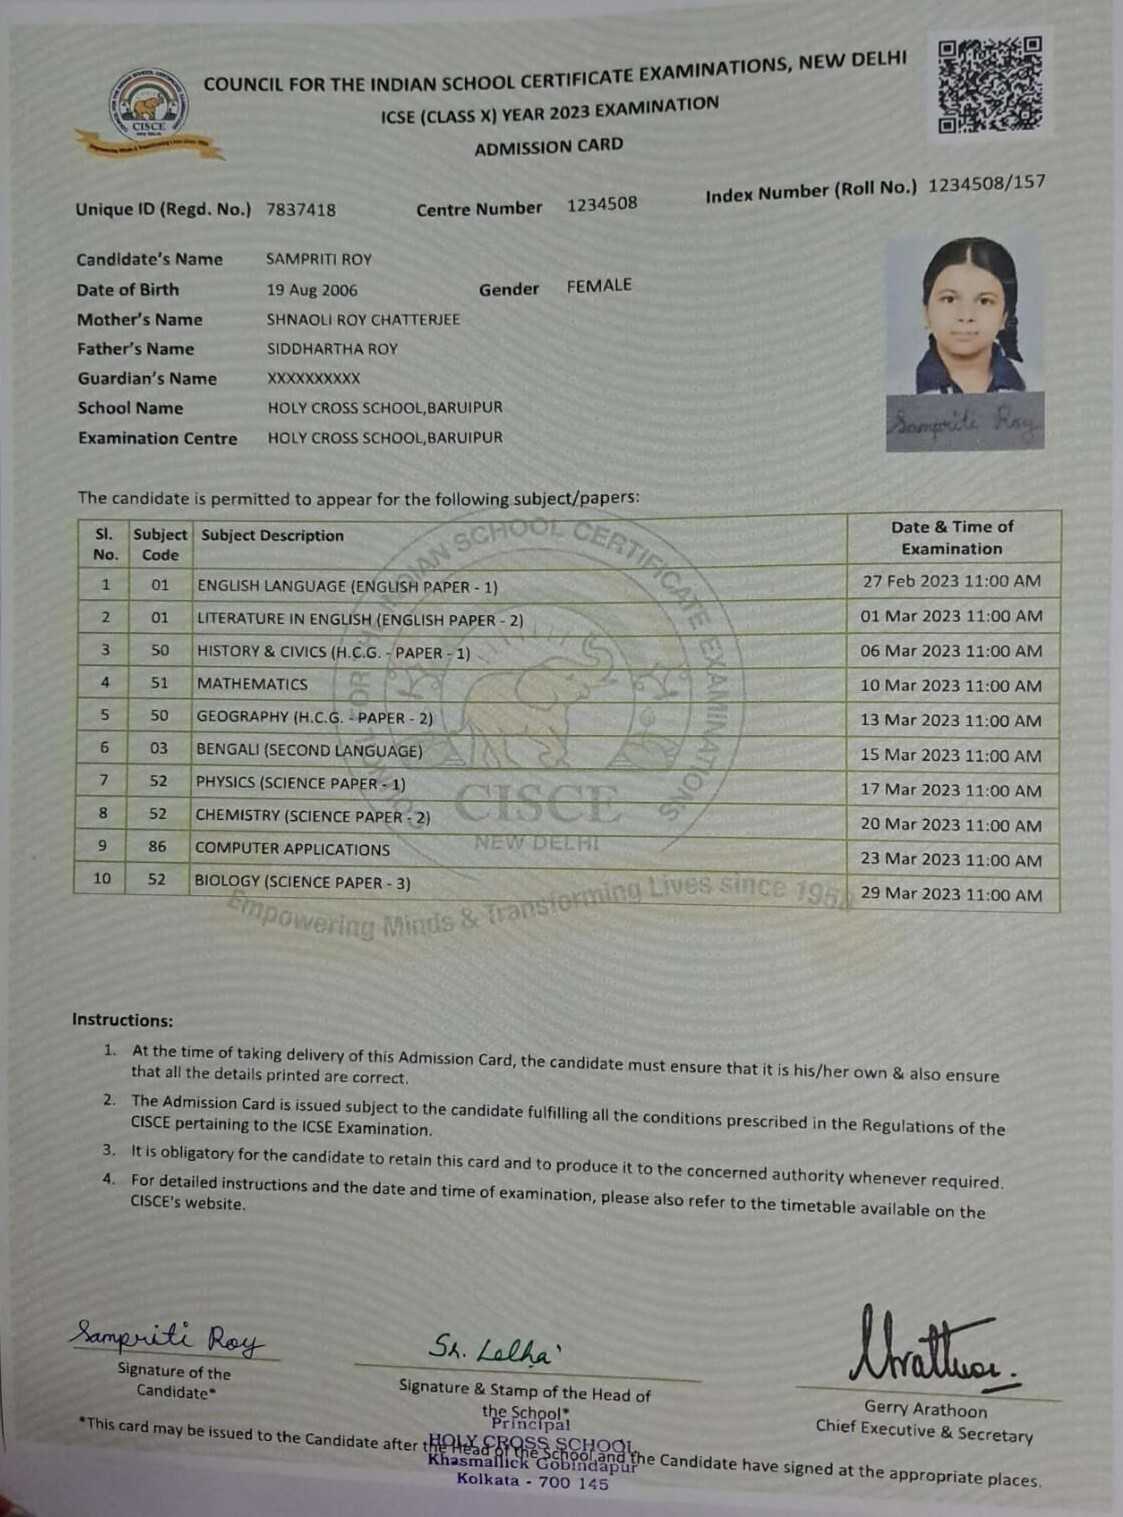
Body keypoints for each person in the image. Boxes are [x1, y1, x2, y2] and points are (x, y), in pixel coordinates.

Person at [916, 237, 1026, 395]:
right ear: (926, 312)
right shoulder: (895, 389)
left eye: (984, 301)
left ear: (1005, 316)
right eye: (949, 299)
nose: (966, 316)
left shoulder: (1037, 387)